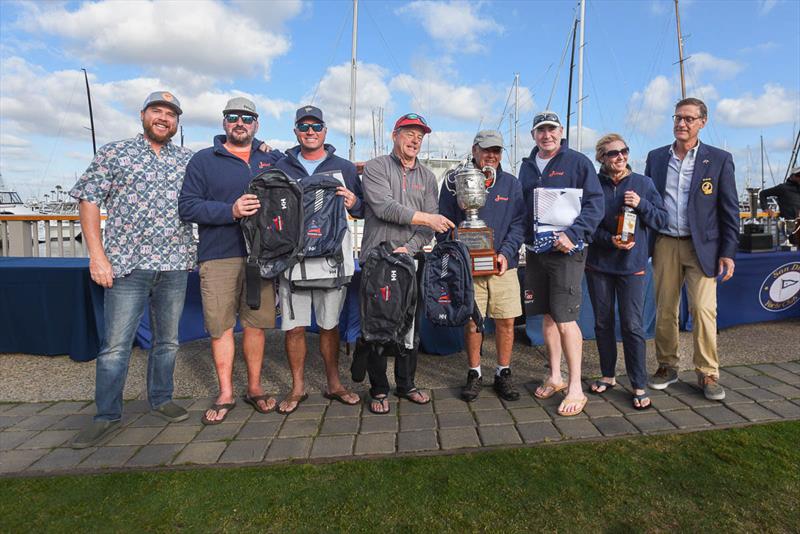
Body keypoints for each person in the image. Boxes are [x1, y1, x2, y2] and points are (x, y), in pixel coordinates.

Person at [70, 91, 195, 448]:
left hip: (174, 263)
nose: (163, 118)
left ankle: (162, 399)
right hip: (126, 266)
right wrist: (97, 256)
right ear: (143, 115)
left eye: (170, 114)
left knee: (168, 341)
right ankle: (106, 414)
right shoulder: (114, 152)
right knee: (115, 346)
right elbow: (89, 200)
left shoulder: (186, 160)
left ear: (176, 122)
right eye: (157, 111)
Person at [178, 97, 283, 424]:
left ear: (256, 124)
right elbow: (188, 207)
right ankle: (225, 392)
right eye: (233, 117)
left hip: (260, 257)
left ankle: (254, 387)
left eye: (247, 118)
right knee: (220, 326)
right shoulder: (204, 160)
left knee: (256, 326)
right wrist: (230, 211)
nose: (240, 123)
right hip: (219, 256)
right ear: (224, 122)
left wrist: (273, 152)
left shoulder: (268, 159)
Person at [359, 113, 454, 414]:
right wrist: (428, 219)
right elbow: (383, 207)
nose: (415, 140)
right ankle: (378, 389)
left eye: (420, 135)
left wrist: (409, 247)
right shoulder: (376, 167)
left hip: (411, 260)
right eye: (409, 133)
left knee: (410, 327)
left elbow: (428, 229)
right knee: (377, 325)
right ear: (394, 135)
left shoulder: (427, 176)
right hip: (377, 260)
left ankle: (406, 383)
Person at [645, 97, 739, 400]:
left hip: (704, 247)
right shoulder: (656, 158)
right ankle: (667, 365)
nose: (681, 124)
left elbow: (730, 209)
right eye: (677, 118)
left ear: (702, 122)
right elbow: (649, 201)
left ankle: (708, 372)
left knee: (703, 309)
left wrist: (728, 252)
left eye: (688, 119)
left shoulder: (720, 159)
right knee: (665, 309)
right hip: (664, 243)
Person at [272, 105, 363, 414]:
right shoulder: (281, 165)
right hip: (292, 261)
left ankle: (334, 383)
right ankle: (297, 388)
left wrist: (354, 201)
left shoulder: (345, 167)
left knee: (329, 326)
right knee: (294, 328)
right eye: (304, 126)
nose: (310, 131)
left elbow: (362, 209)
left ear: (325, 130)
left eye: (316, 126)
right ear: (296, 131)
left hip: (331, 260)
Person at [519, 111, 603, 417]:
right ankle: (555, 375)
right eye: (541, 130)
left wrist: (574, 234)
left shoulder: (578, 162)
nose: (547, 135)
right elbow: (523, 208)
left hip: (567, 251)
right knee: (548, 316)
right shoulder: (527, 167)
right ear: (533, 135)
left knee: (566, 319)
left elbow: (596, 204)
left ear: (561, 131)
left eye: (551, 130)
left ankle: (576, 387)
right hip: (536, 252)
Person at [437, 130, 526, 402]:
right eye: (487, 150)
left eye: (497, 151)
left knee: (507, 321)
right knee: (474, 323)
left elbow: (518, 224)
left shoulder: (511, 183)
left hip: (502, 266)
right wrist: (458, 250)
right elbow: (444, 222)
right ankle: (474, 373)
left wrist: (507, 254)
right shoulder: (455, 181)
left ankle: (503, 372)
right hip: (468, 268)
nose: (492, 156)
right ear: (474, 150)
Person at [586, 134, 667, 410]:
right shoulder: (593, 184)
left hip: (631, 267)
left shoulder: (643, 183)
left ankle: (638, 384)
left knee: (632, 326)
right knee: (602, 323)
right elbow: (585, 226)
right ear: (601, 158)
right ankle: (608, 375)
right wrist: (608, 240)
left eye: (623, 151)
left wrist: (641, 204)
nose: (619, 157)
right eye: (612, 153)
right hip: (599, 265)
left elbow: (662, 219)